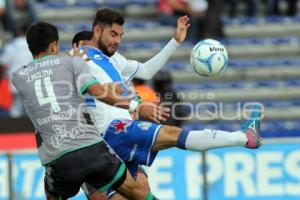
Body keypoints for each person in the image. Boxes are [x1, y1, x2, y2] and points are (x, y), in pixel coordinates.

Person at [76, 8, 263, 200]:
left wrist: (175, 42)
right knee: (173, 135)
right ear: (97, 31)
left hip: (113, 139)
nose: (117, 41)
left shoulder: (113, 58)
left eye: (120, 36)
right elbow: (95, 92)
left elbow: (146, 71)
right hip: (112, 130)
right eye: (113, 35)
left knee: (139, 191)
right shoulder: (79, 59)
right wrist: (136, 106)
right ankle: (243, 137)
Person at [12, 21, 159, 200]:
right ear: (53, 45)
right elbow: (97, 92)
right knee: (139, 193)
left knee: (53, 195)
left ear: (30, 47)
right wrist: (135, 105)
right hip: (92, 147)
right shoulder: (73, 62)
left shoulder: (18, 77)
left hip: (59, 158)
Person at [0, 23, 32, 118]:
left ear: (19, 32)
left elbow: (3, 64)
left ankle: (16, 131)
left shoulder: (11, 45)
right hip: (31, 82)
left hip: (14, 81)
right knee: (31, 110)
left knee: (15, 110)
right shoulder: (34, 46)